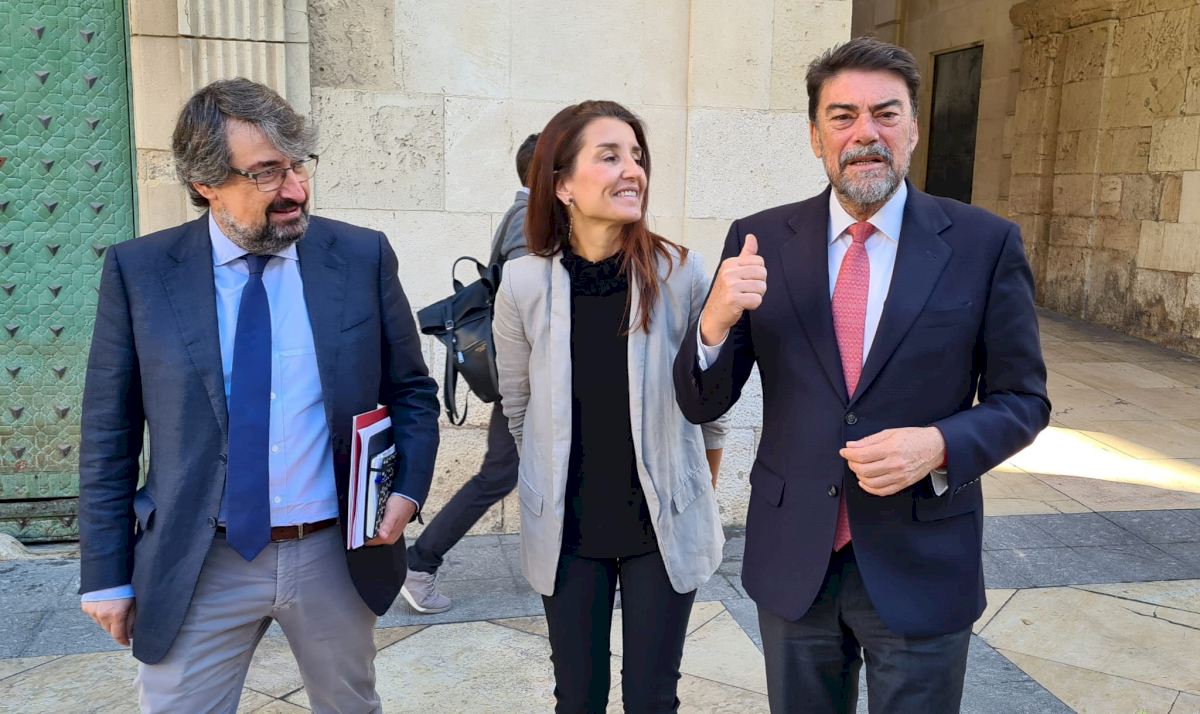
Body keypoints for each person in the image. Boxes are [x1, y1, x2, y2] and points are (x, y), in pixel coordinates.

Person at [673, 37, 1050, 713]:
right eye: (843, 116)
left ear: (913, 129)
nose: (865, 134)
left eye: (886, 113)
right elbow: (703, 402)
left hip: (923, 559)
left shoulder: (984, 243)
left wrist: (939, 445)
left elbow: (1023, 399)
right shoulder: (760, 239)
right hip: (795, 561)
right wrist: (714, 323)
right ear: (816, 135)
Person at [77, 78, 440, 713]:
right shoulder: (141, 272)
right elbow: (109, 431)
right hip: (198, 558)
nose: (295, 190)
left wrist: (407, 492)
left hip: (334, 554)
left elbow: (411, 391)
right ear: (205, 183)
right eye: (267, 172)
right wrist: (105, 573)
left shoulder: (361, 256)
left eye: (299, 164)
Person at [492, 100, 728, 713]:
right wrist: (546, 482)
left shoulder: (681, 273)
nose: (632, 170)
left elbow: (710, 407)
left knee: (652, 698)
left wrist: (693, 488)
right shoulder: (523, 283)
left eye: (637, 156)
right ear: (562, 184)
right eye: (610, 156)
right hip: (566, 529)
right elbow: (518, 409)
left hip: (661, 526)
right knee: (578, 698)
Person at [401, 132, 540, 614]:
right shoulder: (528, 219)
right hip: (529, 380)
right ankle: (420, 563)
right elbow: (530, 307)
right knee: (498, 474)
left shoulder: (528, 215)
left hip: (534, 379)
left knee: (536, 472)